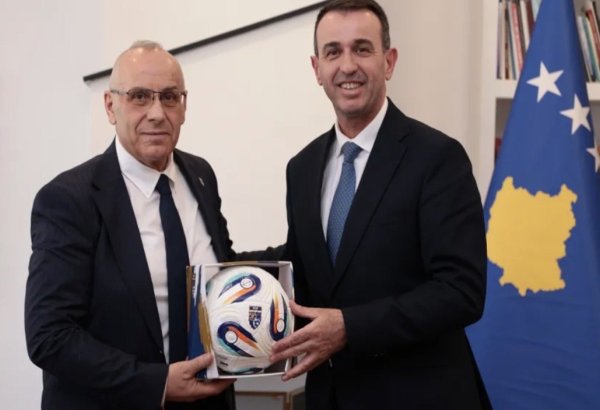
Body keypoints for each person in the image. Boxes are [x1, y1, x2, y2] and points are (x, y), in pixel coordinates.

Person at [269, 1, 490, 409]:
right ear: (317, 68)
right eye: (333, 52)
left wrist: (349, 327)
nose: (347, 66)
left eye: (362, 49)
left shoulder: (438, 158)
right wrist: (222, 273)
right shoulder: (301, 168)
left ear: (388, 62)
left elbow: (461, 291)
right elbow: (304, 268)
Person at [24, 41, 268, 409]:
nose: (157, 113)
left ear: (184, 106)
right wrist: (158, 384)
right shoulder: (68, 200)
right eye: (139, 96)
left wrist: (295, 259)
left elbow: (217, 273)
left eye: (169, 97)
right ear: (111, 106)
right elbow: (49, 336)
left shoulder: (200, 175)